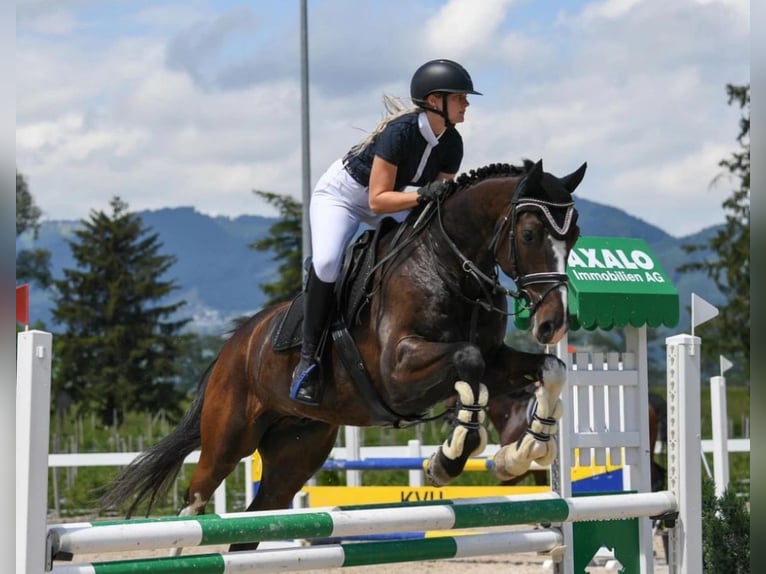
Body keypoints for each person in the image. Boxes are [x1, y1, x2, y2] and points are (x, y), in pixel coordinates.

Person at [290, 58, 482, 405]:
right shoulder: (401, 133)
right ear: (435, 100)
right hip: (345, 198)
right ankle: (309, 362)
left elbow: (433, 202)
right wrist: (423, 194)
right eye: (460, 98)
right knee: (330, 262)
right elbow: (377, 201)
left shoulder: (452, 144)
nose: (466, 104)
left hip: (395, 202)